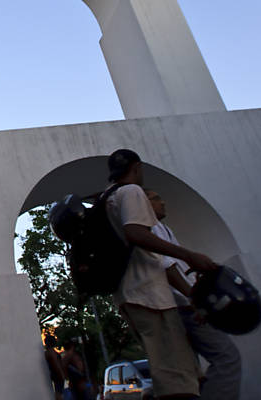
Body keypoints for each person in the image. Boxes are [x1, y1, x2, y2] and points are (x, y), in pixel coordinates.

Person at [104, 148, 217, 400]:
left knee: (173, 372)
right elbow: (136, 233)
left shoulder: (106, 198)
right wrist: (188, 255)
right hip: (150, 296)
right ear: (137, 168)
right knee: (177, 380)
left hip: (129, 295)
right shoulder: (131, 192)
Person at [147, 189, 242, 400]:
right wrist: (193, 298)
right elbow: (166, 266)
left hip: (181, 304)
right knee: (227, 358)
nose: (163, 201)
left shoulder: (164, 229)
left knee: (188, 374)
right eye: (155, 198)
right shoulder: (151, 228)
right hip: (182, 306)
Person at [43, 334, 66, 400]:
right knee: (59, 394)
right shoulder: (51, 352)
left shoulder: (48, 352)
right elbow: (56, 364)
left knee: (59, 393)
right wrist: (62, 374)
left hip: (56, 375)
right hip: (57, 375)